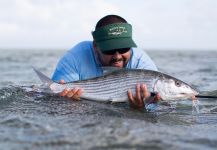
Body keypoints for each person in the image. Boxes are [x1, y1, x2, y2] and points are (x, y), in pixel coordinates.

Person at [52, 14, 160, 110]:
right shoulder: (74, 58)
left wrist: (142, 108)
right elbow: (52, 101)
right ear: (95, 46)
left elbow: (157, 110)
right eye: (110, 49)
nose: (117, 56)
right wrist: (65, 102)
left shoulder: (143, 64)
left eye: (124, 48)